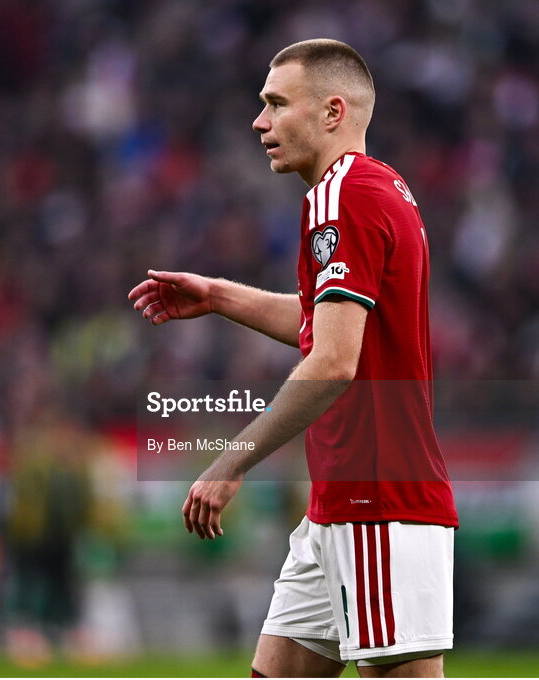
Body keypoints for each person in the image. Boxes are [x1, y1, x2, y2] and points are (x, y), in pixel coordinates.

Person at [128, 39, 458, 677]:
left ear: (333, 112)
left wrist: (231, 461)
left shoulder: (343, 196)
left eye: (277, 104)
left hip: (376, 501)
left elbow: (333, 362)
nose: (261, 122)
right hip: (339, 503)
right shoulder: (376, 186)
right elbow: (322, 324)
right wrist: (218, 295)